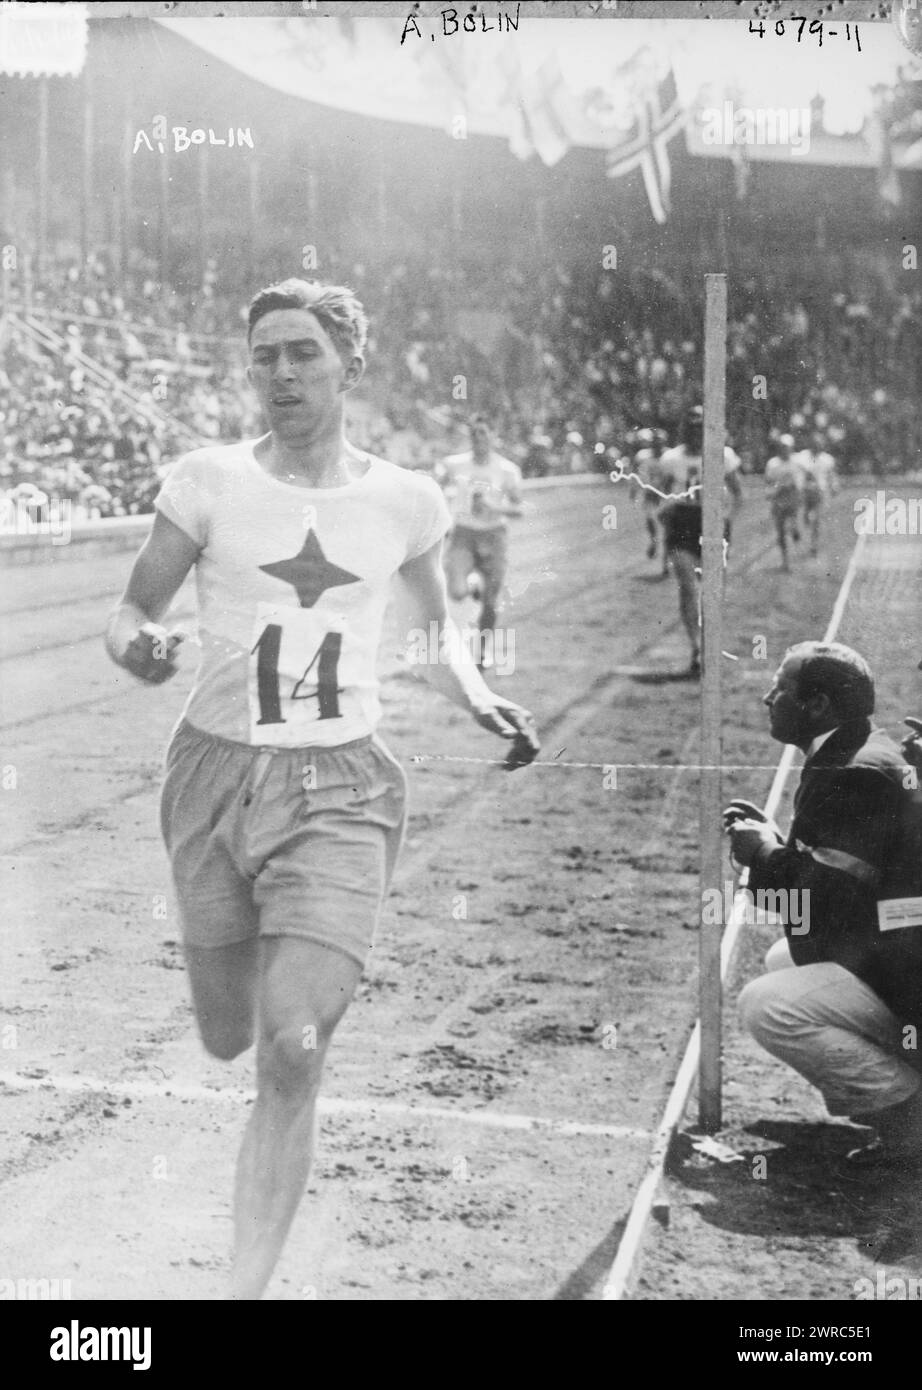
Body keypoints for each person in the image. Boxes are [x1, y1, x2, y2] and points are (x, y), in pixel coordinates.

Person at [104, 278, 540, 1299]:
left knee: (291, 1050)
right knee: (224, 1032)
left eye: (303, 352)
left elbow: (436, 636)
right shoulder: (205, 481)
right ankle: (234, 939)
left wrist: (476, 697)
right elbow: (129, 611)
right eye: (265, 355)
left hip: (342, 786)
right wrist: (142, 650)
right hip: (213, 775)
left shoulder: (405, 499)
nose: (283, 373)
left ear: (352, 363)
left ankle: (240, 1291)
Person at [728, 642, 922, 1168]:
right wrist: (772, 850)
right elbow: (831, 884)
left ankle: (910, 1122)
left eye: (781, 689)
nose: (769, 698)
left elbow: (825, 904)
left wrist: (762, 856)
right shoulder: (856, 750)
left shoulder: (855, 769)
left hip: (907, 973)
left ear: (817, 706)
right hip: (899, 950)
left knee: (768, 1003)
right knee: (782, 961)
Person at [658, 405, 743, 677]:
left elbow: (739, 492)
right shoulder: (672, 458)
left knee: (711, 590)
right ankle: (695, 645)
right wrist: (664, 510)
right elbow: (659, 492)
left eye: (701, 428)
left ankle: (708, 643)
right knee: (687, 584)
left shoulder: (723, 456)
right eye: (692, 428)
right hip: (683, 521)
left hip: (712, 521)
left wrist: (727, 519)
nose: (696, 434)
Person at [438, 416, 523, 669]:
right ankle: (473, 583)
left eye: (484, 433)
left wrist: (494, 506)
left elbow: (519, 509)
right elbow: (435, 486)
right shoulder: (456, 465)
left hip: (494, 535)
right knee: (456, 592)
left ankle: (482, 652)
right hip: (464, 533)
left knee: (490, 602)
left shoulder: (507, 470)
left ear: (493, 437)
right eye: (474, 434)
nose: (479, 439)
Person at [630, 427, 671, 577]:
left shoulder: (670, 455)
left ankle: (666, 561)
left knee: (668, 528)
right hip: (650, 494)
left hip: (667, 494)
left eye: (659, 442)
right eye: (654, 442)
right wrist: (633, 490)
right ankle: (654, 541)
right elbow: (635, 473)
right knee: (650, 519)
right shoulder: (643, 456)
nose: (657, 445)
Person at [763, 434, 803, 572]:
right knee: (780, 532)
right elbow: (768, 481)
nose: (785, 450)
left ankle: (795, 533)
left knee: (792, 525)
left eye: (787, 447)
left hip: (792, 498)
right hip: (779, 499)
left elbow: (805, 475)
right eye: (782, 447)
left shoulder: (797, 462)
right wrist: (776, 488)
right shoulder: (773, 464)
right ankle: (785, 560)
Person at [795, 431, 838, 557]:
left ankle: (814, 545)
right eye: (814, 443)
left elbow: (832, 474)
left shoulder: (827, 459)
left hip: (819, 492)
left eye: (819, 444)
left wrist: (834, 485)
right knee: (806, 516)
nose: (817, 446)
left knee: (817, 519)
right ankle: (801, 530)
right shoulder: (801, 457)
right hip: (804, 491)